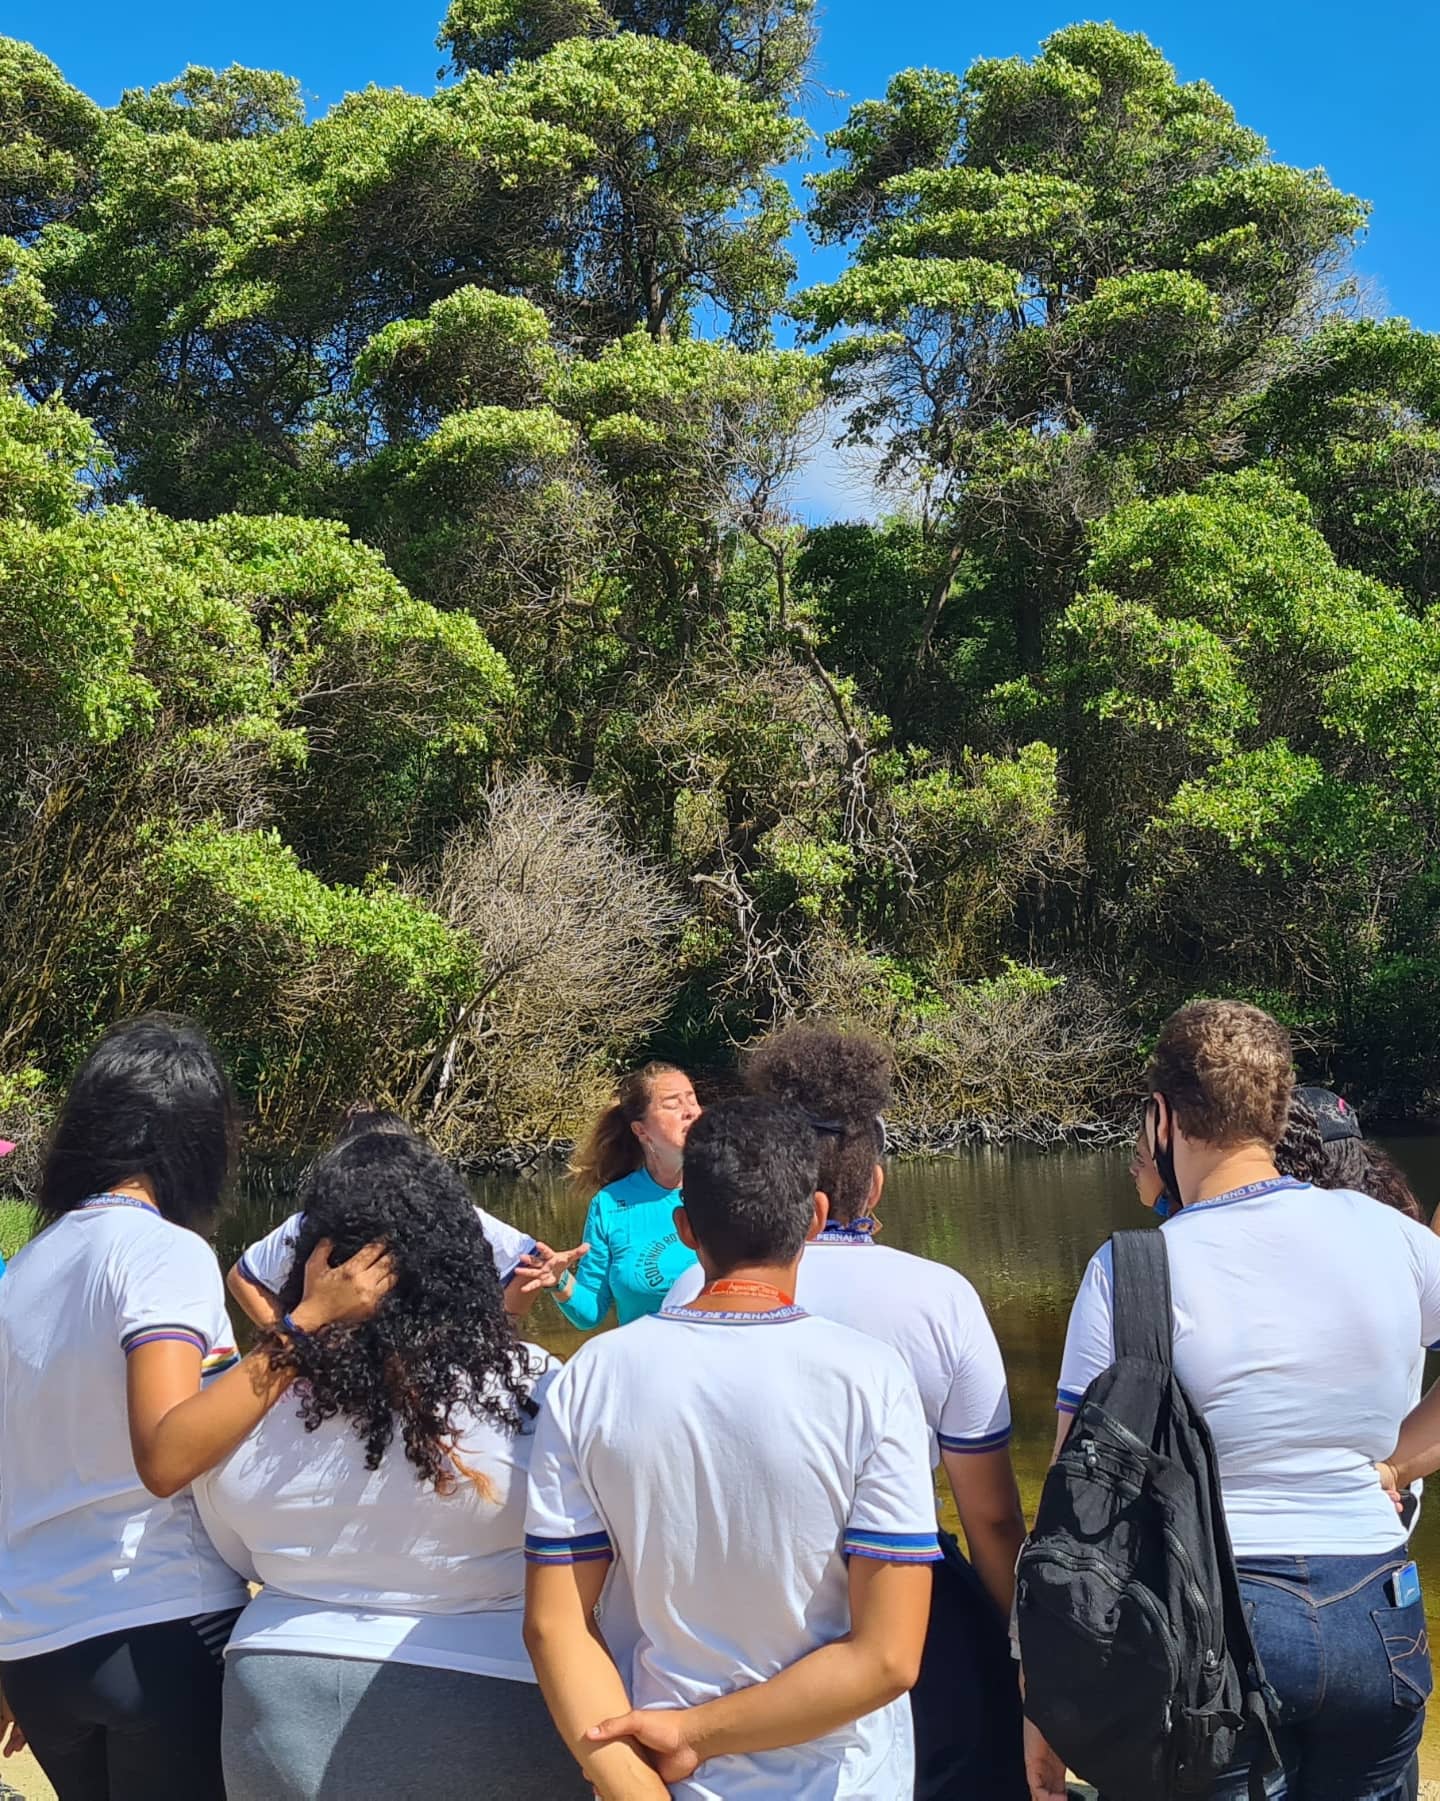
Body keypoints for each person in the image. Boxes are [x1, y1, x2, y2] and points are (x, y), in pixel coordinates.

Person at [1028, 1000, 1440, 1801]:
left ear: (1162, 1117)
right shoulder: (1390, 1234)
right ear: (1278, 1113)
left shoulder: (1130, 1268)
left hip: (1212, 1623)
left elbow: (1073, 1509)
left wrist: (1041, 1700)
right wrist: (1395, 1466)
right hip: (1377, 1614)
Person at [0, 1015, 394, 1801]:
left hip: (35, 1645)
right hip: (157, 1618)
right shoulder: (162, 1249)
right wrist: (306, 1324)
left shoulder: (28, 1266)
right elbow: (166, 1453)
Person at [523, 1097, 939, 1800]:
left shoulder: (593, 1376)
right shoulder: (871, 1379)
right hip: (845, 1782)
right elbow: (889, 1657)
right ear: (814, 1216)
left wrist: (635, 1783)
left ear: (685, 1228)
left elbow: (553, 1624)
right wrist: (696, 1733)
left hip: (655, 1779)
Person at [667, 1023, 1026, 1798]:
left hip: (741, 1610)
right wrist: (1028, 1662)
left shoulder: (689, 1292)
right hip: (910, 1603)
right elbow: (993, 1519)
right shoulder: (938, 1296)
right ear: (875, 1184)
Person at [194, 1129, 586, 1801]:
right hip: (492, 1703)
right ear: (465, 1261)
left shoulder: (252, 1396)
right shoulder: (540, 1384)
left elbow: (232, 1548)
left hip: (274, 1700)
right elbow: (584, 1552)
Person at [228, 1105, 585, 1326]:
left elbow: (528, 1262)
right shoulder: (312, 1224)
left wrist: (495, 1336)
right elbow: (243, 1276)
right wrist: (290, 1339)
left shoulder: (451, 1216)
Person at [553, 1062, 701, 1330]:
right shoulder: (610, 1204)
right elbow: (589, 1314)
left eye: (692, 1100)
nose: (690, 1112)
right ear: (641, 1130)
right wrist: (557, 1279)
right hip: (646, 1356)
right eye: (672, 1104)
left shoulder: (731, 1185)